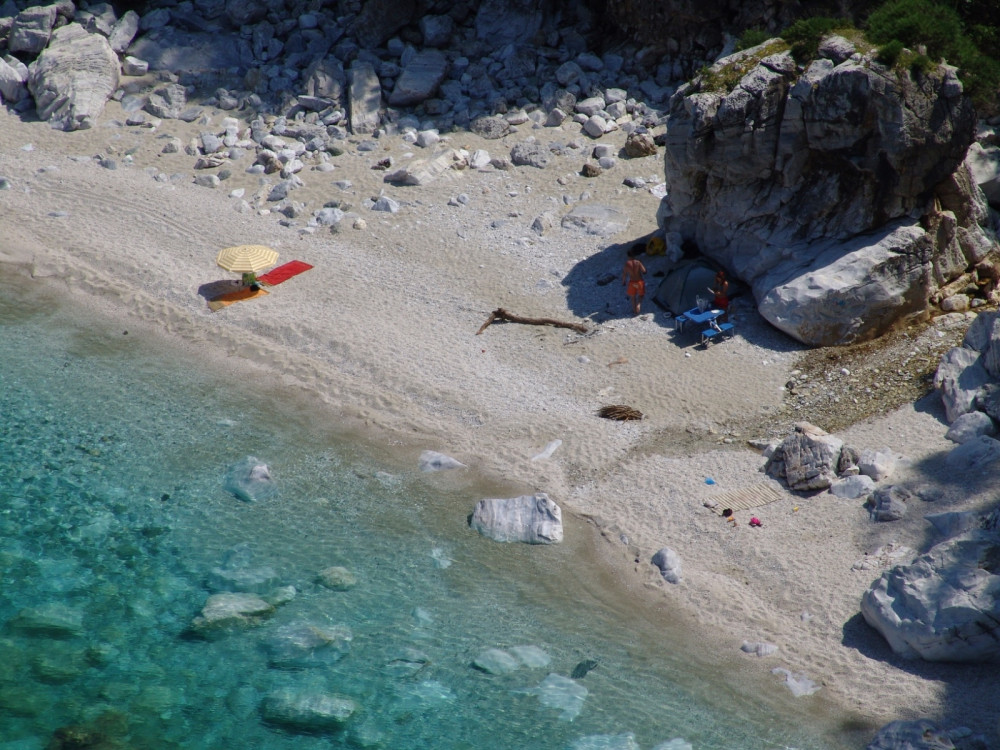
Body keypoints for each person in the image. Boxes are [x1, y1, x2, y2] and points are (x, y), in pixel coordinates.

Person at [622, 244, 647, 316]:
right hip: (639, 282)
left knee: (633, 297)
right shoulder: (638, 262)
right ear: (634, 255)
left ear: (628, 256)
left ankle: (635, 311)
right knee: (641, 295)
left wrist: (623, 282)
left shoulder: (627, 264)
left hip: (632, 283)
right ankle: (638, 305)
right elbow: (644, 271)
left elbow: (624, 274)